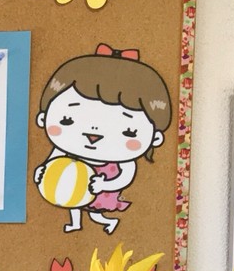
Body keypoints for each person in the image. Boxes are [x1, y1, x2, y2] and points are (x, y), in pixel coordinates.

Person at [34, 45, 171, 234]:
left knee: (94, 213)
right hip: (72, 184)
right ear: (43, 118)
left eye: (129, 131)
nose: (94, 133)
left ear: (155, 137)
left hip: (100, 189)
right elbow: (51, 161)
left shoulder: (123, 160)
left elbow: (125, 177)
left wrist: (104, 185)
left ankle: (109, 221)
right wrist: (41, 172)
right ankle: (76, 224)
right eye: (67, 119)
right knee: (73, 203)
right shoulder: (64, 150)